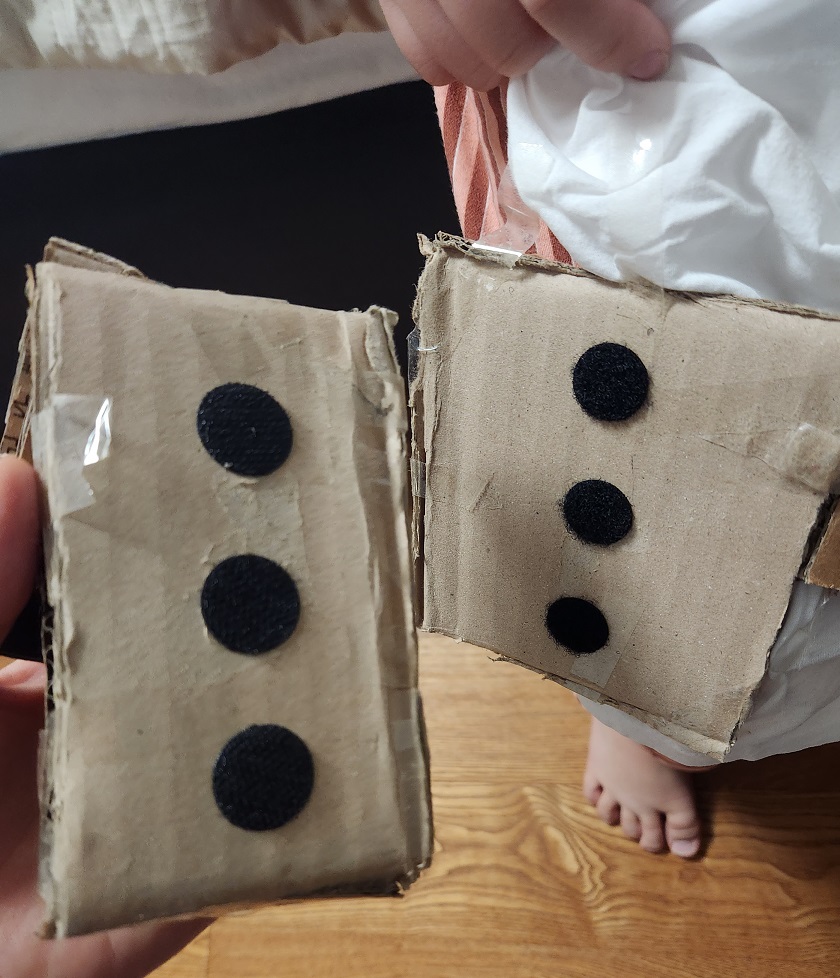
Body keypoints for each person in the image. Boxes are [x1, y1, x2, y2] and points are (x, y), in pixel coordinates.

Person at [0, 3, 674, 974]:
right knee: (502, 460)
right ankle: (626, 702)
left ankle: (637, 701)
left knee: (579, 440)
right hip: (87, 144)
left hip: (362, 95)